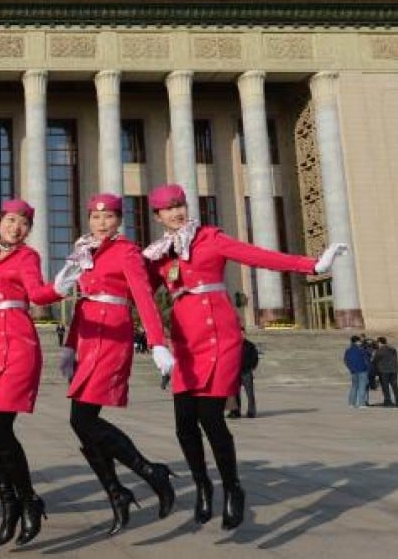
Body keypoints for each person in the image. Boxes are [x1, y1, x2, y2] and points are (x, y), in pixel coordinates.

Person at [144, 183, 347, 530]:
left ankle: (233, 488)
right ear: (158, 216)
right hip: (185, 341)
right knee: (183, 424)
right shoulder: (159, 254)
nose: (176, 212)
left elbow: (259, 256)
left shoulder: (210, 238)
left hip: (218, 334)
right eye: (168, 208)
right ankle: (203, 487)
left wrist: (312, 265)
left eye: (180, 205)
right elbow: (136, 288)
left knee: (211, 417)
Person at [56, 193, 176, 536]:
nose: (101, 223)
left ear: (118, 220)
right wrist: (68, 348)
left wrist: (156, 343)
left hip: (112, 336)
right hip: (88, 337)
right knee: (82, 423)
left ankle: (148, 474)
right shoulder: (86, 252)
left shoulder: (126, 252)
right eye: (95, 218)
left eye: (108, 217)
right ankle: (120, 492)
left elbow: (143, 296)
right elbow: (83, 302)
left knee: (82, 418)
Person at [0, 199, 62, 547]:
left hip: (19, 350)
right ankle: (11, 506)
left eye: (22, 223)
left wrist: (62, 285)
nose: (15, 227)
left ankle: (28, 501)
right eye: (10, 221)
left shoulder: (27, 257)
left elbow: (37, 293)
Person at [227, 338, 259, 419]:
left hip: (246, 372)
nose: (241, 335)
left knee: (250, 393)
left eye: (243, 333)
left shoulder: (249, 345)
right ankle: (235, 412)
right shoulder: (232, 343)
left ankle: (251, 411)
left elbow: (255, 357)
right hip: (234, 372)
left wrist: (251, 366)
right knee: (234, 393)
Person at [345, 335, 370, 408]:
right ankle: (361, 403)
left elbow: (346, 361)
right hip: (362, 370)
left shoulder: (348, 350)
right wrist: (368, 368)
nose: (360, 342)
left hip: (353, 371)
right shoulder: (361, 350)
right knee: (362, 387)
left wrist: (350, 368)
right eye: (359, 341)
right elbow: (367, 360)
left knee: (354, 387)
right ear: (357, 342)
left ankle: (351, 403)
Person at [372, 337, 398, 407]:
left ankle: (388, 401)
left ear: (380, 342)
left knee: (385, 387)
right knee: (395, 386)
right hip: (393, 370)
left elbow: (374, 361)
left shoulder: (380, 351)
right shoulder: (392, 349)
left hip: (384, 371)